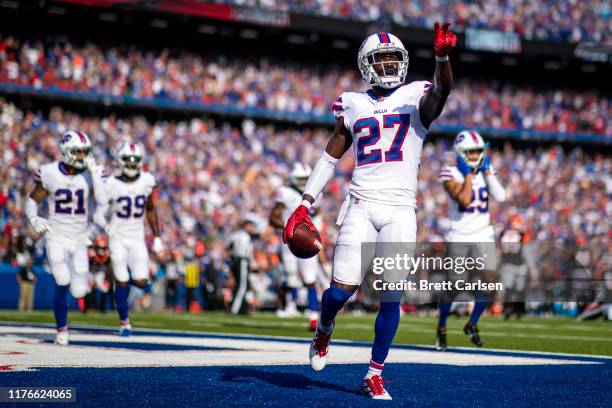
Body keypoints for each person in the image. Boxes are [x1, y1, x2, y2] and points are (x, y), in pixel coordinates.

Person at [283, 24, 456, 399]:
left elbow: (442, 90)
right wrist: (304, 202)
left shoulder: (416, 96)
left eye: (395, 57)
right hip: (361, 204)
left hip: (400, 209)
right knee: (340, 292)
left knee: (391, 295)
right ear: (366, 65)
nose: (391, 64)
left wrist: (442, 58)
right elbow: (331, 155)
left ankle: (374, 372)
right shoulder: (352, 103)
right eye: (382, 58)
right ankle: (324, 326)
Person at [25, 130, 107, 345]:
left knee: (80, 291)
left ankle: (64, 321)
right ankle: (62, 329)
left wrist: (96, 176)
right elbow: (33, 199)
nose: (84, 157)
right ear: (67, 152)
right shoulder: (50, 172)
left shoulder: (90, 173)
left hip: (80, 238)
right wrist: (33, 217)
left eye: (86, 152)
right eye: (80, 152)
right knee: (62, 280)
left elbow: (102, 200)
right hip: (56, 236)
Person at [435, 130, 507, 350]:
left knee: (489, 279)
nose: (476, 155)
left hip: (483, 233)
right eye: (472, 151)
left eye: (478, 151)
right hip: (459, 234)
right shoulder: (449, 172)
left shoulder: (485, 169)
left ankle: (472, 323)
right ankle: (442, 326)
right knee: (455, 285)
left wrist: (488, 173)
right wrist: (468, 174)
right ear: (461, 152)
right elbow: (465, 199)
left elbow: (501, 196)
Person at [94, 142, 163, 336]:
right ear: (119, 161)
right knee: (122, 279)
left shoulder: (147, 180)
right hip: (117, 236)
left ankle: (119, 289)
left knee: (141, 280)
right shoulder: (111, 184)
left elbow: (150, 209)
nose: (132, 164)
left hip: (137, 237)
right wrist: (106, 226)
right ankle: (124, 322)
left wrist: (157, 236)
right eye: (128, 160)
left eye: (135, 161)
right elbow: (98, 214)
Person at [270, 163, 324, 328]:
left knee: (310, 278)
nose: (303, 182)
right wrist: (290, 227)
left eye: (306, 179)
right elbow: (273, 218)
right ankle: (286, 302)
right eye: (301, 179)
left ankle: (314, 316)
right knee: (291, 278)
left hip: (308, 241)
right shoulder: (285, 193)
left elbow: (317, 215)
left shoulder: (316, 193)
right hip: (290, 239)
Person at [226, 220, 255, 315]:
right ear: (247, 226)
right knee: (242, 286)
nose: (252, 229)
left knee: (241, 284)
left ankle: (243, 307)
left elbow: (227, 247)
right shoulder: (246, 235)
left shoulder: (235, 234)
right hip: (243, 260)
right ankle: (235, 308)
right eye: (251, 226)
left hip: (235, 260)